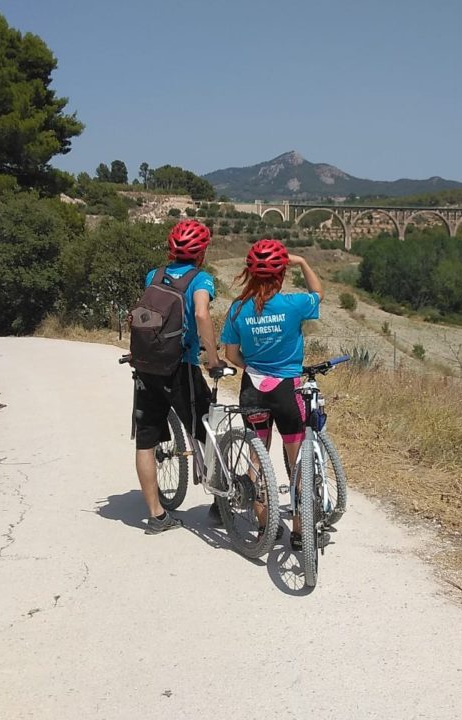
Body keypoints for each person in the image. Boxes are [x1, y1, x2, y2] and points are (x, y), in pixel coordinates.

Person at [220, 239, 323, 547]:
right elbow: (319, 294)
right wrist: (303, 261)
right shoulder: (293, 305)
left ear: (249, 274)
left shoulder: (238, 309)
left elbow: (231, 355)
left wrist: (252, 364)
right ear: (280, 275)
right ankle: (298, 532)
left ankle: (264, 526)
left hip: (253, 387)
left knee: (257, 458)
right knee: (297, 463)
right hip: (287, 389)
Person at [133, 219, 221, 534]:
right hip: (180, 365)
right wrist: (212, 359)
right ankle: (220, 505)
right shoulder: (202, 279)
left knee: (146, 439)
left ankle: (156, 516)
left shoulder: (153, 275)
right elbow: (200, 314)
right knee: (208, 428)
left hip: (146, 366)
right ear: (202, 252)